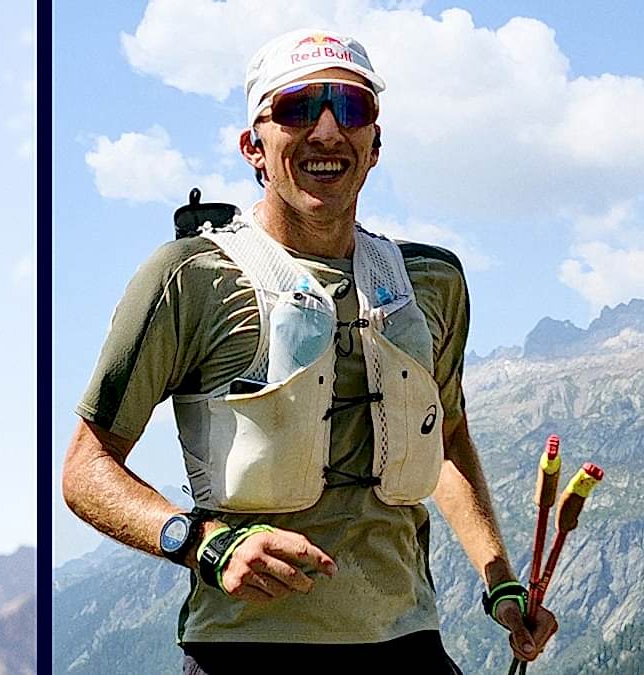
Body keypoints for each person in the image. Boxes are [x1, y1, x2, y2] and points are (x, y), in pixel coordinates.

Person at [62, 28, 557, 672]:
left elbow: (447, 435)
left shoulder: (432, 283)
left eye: (351, 109)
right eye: (297, 108)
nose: (327, 131)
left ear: (374, 145)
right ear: (254, 146)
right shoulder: (188, 277)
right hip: (243, 651)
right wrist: (203, 543)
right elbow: (86, 469)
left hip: (409, 645)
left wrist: (502, 583)